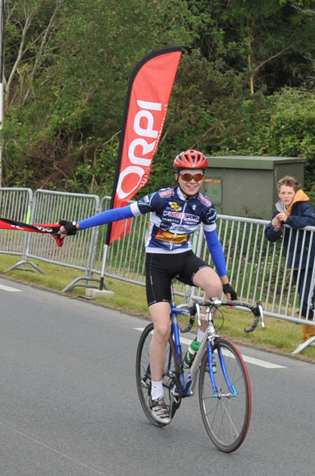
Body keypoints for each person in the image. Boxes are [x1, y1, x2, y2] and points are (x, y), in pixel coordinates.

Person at [59, 150, 236, 421]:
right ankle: (156, 395)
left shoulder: (205, 206)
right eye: (186, 176)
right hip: (158, 263)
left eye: (198, 176)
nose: (192, 181)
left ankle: (199, 345)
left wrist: (226, 282)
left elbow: (214, 243)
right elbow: (120, 213)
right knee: (163, 329)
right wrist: (78, 225)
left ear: (203, 178)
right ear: (177, 177)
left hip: (184, 258)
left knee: (213, 289)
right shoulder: (160, 199)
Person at [264, 176, 315, 342]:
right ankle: (310, 333)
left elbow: (312, 222)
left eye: (289, 192)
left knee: (307, 299)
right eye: (283, 192)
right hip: (295, 260)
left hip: (310, 259)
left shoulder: (304, 205)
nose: (286, 195)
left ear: (295, 193)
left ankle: (311, 337)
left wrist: (289, 219)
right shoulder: (280, 208)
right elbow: (271, 235)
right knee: (303, 297)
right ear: (279, 194)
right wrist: (274, 228)